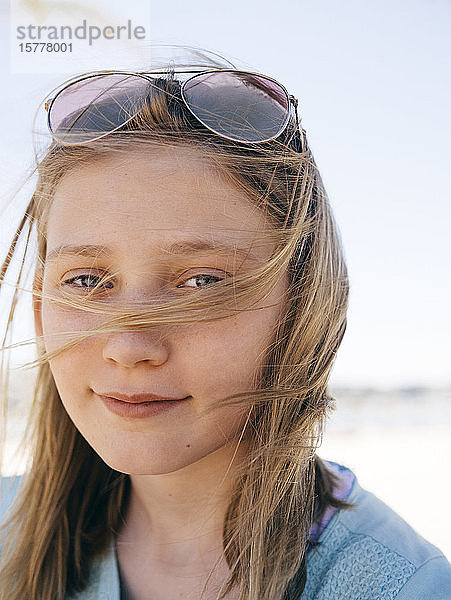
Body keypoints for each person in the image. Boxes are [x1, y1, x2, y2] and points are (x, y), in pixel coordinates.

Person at [0, 48, 450, 600]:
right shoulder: (6, 530)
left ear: (303, 306)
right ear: (42, 314)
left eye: (203, 282)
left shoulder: (403, 587)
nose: (129, 345)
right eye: (88, 281)